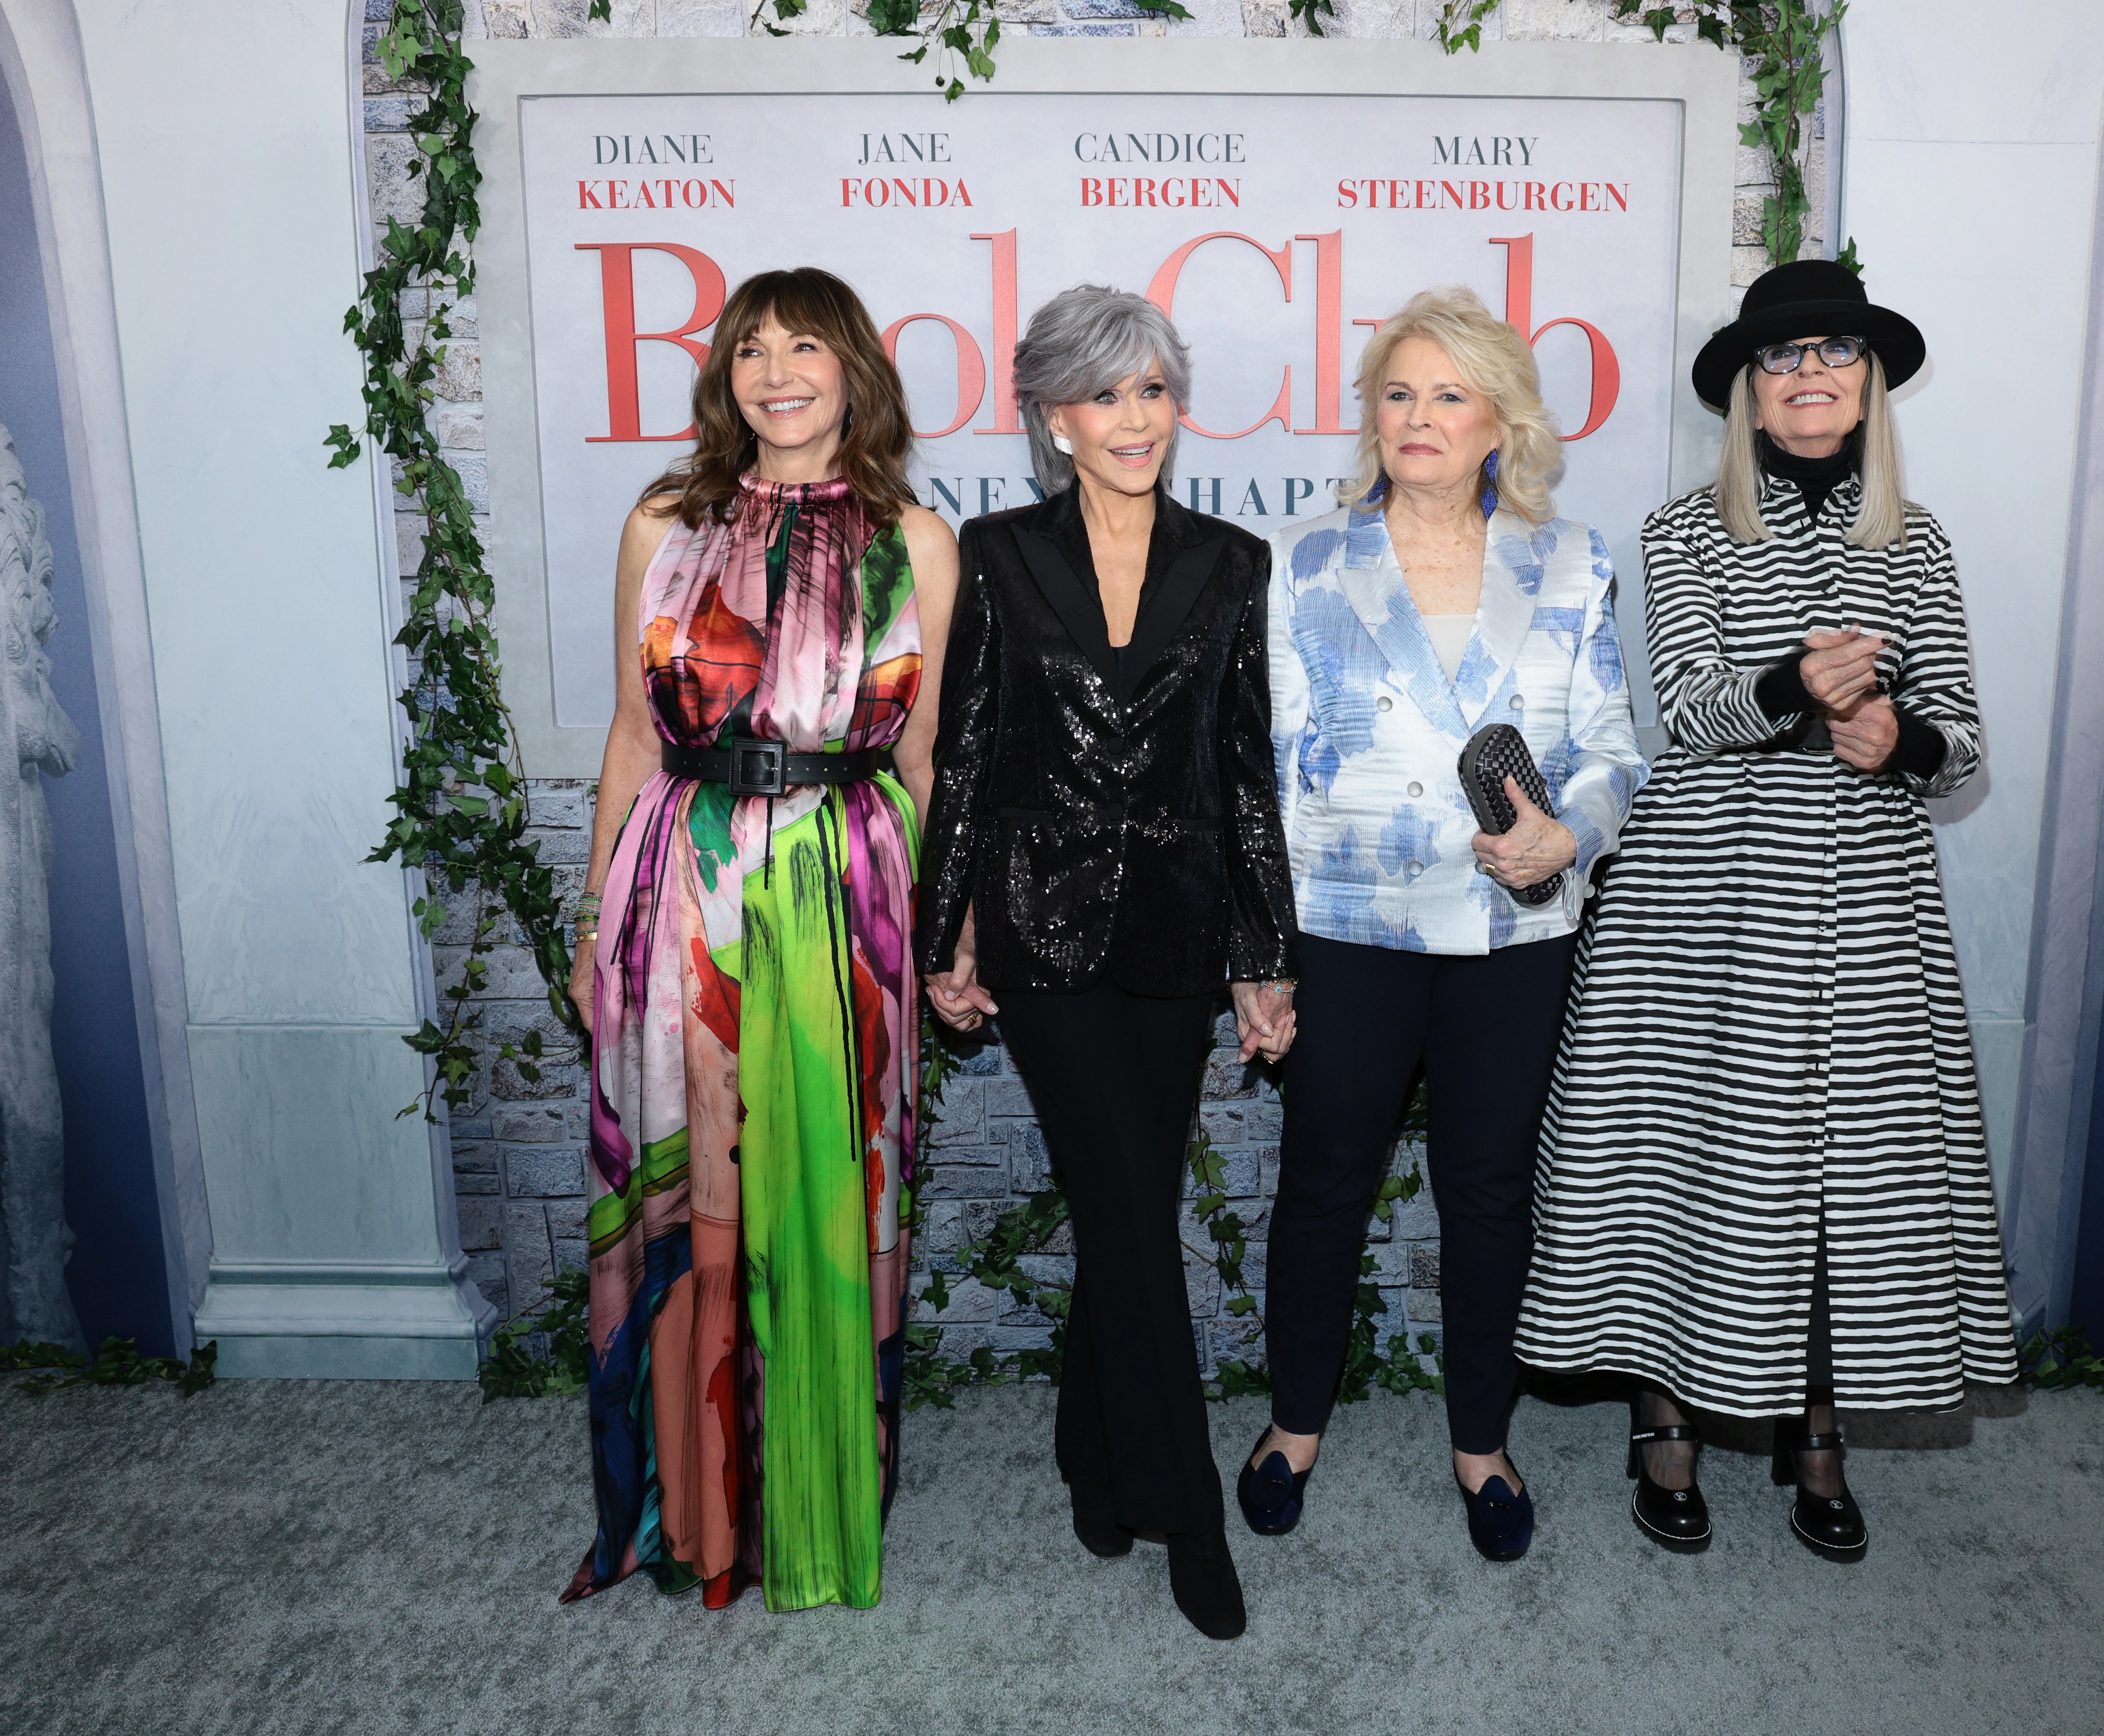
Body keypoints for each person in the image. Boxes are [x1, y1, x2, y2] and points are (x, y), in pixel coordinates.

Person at [1514, 259, 2016, 1563]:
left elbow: (1962, 749)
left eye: (1832, 355)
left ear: (1866, 383)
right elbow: (1684, 712)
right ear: (1748, 388)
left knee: (1839, 1185)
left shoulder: (1919, 540)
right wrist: (1797, 686)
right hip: (1702, 897)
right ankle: (1660, 1414)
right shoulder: (1684, 531)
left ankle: (1819, 1430)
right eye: (1783, 358)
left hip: (1863, 905)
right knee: (1684, 1162)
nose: (1808, 377)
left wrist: (1895, 740)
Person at [559, 267, 959, 1614]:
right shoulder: (662, 521)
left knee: (832, 1183)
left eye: (803, 346)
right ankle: (699, 1507)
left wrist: (945, 928)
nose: (775, 372)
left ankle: (816, 1493)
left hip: (851, 887)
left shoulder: (917, 537)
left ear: (854, 367)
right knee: (698, 1190)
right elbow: (629, 731)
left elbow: (921, 749)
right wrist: (592, 915)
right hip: (680, 883)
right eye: (749, 351)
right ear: (724, 375)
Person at [916, 284, 1298, 1641]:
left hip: (1179, 933)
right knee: (1135, 1212)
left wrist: (1260, 953)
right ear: (1050, 418)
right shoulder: (999, 551)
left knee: (1122, 1203)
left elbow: (1243, 767)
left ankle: (1092, 1448)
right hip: (1043, 928)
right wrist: (940, 930)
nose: (1132, 418)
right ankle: (1185, 1511)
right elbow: (964, 756)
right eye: (1101, 395)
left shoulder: (1233, 560)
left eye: (1150, 390)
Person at [1241, 287, 1642, 1563]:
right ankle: (1292, 1427)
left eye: (1448, 394)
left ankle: (1482, 1442)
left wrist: (1568, 832)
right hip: (1349, 930)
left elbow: (1611, 749)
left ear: (1498, 422)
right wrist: (1262, 953)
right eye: (1397, 392)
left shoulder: (1572, 560)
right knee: (1321, 1192)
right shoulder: (1303, 561)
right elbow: (1263, 767)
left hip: (1514, 934)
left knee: (1485, 1196)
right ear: (1372, 415)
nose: (1418, 416)